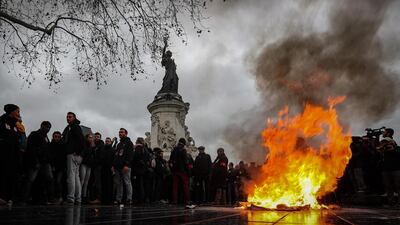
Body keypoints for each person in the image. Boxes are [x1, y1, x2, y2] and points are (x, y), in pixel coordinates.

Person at [23, 121, 54, 204]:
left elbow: (48, 150)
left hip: (45, 162)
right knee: (30, 180)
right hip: (36, 161)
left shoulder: (46, 137)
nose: (47, 129)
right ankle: (24, 199)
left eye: (49, 127)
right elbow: (30, 148)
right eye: (46, 127)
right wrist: (35, 160)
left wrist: (49, 160)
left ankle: (47, 199)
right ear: (41, 126)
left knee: (48, 179)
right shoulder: (34, 134)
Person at [0, 104, 23, 206]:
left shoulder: (15, 125)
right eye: (17, 111)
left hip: (13, 156)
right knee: (3, 174)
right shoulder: (2, 121)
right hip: (3, 155)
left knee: (11, 176)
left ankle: (9, 197)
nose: (19, 114)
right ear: (11, 111)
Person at [62, 112, 85, 205]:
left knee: (72, 176)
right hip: (76, 154)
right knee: (76, 176)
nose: (68, 118)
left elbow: (81, 140)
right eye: (67, 117)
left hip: (73, 154)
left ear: (74, 118)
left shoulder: (75, 127)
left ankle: (71, 197)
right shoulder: (72, 127)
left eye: (70, 117)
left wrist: (77, 152)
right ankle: (78, 198)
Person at [378, 128, 400, 206]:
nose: (382, 133)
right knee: (391, 186)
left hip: (393, 168)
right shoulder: (391, 141)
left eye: (384, 132)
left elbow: (378, 148)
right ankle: (392, 202)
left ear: (388, 134)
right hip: (389, 167)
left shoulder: (387, 140)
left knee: (392, 186)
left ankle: (392, 202)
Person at [112, 128, 134, 205]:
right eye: (119, 132)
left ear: (126, 133)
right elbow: (116, 155)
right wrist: (113, 165)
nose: (120, 133)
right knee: (119, 183)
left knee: (127, 182)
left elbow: (130, 155)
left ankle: (129, 199)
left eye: (122, 132)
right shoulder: (119, 144)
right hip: (118, 167)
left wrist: (127, 164)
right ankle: (118, 199)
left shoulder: (129, 143)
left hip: (125, 166)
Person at [169, 138, 191, 206]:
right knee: (185, 186)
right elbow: (186, 162)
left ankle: (175, 200)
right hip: (182, 171)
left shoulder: (173, 150)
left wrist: (172, 169)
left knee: (175, 186)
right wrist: (188, 171)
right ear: (183, 144)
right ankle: (187, 200)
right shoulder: (183, 150)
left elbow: (170, 161)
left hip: (175, 171)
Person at [49, 131, 66, 204]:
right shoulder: (50, 145)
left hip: (60, 167)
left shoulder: (62, 145)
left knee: (58, 182)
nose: (57, 138)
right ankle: (52, 197)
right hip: (52, 166)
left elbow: (64, 157)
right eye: (55, 136)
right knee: (52, 182)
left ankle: (59, 197)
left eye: (58, 137)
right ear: (53, 137)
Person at [131, 137, 150, 203]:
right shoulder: (145, 149)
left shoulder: (138, 148)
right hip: (144, 169)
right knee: (143, 184)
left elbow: (135, 157)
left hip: (137, 169)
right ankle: (143, 198)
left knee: (138, 184)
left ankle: (139, 198)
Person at [90, 132, 105, 204]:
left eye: (98, 137)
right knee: (93, 182)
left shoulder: (101, 146)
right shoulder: (93, 145)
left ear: (100, 138)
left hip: (98, 166)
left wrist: (95, 162)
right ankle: (93, 197)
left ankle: (98, 198)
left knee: (97, 182)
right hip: (93, 166)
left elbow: (101, 157)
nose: (96, 138)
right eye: (95, 137)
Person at [80, 134, 95, 203]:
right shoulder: (84, 145)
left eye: (92, 138)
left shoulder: (92, 146)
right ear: (86, 138)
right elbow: (83, 154)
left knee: (86, 182)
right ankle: (79, 195)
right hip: (84, 164)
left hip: (89, 165)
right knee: (82, 180)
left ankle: (84, 196)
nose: (91, 139)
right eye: (89, 137)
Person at [101, 137, 115, 204]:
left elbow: (113, 159)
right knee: (104, 184)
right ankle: (104, 199)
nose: (107, 142)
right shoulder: (102, 149)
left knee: (109, 184)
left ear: (110, 142)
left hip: (110, 169)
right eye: (106, 141)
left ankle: (109, 199)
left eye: (108, 141)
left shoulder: (112, 150)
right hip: (103, 168)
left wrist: (112, 167)